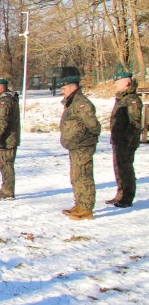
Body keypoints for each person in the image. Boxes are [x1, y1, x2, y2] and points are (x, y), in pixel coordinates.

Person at [59, 74, 101, 220]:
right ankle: (80, 204)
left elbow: (93, 125)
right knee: (76, 176)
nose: (62, 91)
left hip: (83, 145)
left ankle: (86, 209)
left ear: (73, 87)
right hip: (76, 145)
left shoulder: (81, 102)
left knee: (84, 176)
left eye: (64, 88)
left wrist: (86, 137)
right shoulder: (72, 102)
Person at [107, 71, 142, 208]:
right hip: (118, 140)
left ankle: (127, 197)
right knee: (119, 168)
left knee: (126, 168)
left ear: (126, 83)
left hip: (126, 141)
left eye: (118, 82)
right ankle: (120, 194)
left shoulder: (132, 99)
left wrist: (127, 141)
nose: (115, 85)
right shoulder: (122, 98)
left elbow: (135, 123)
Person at [0, 78, 20, 201]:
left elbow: (2, 121)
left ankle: (8, 192)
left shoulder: (5, 101)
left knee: (7, 166)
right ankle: (5, 187)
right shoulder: (6, 99)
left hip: (7, 139)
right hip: (7, 138)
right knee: (4, 165)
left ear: (0, 87)